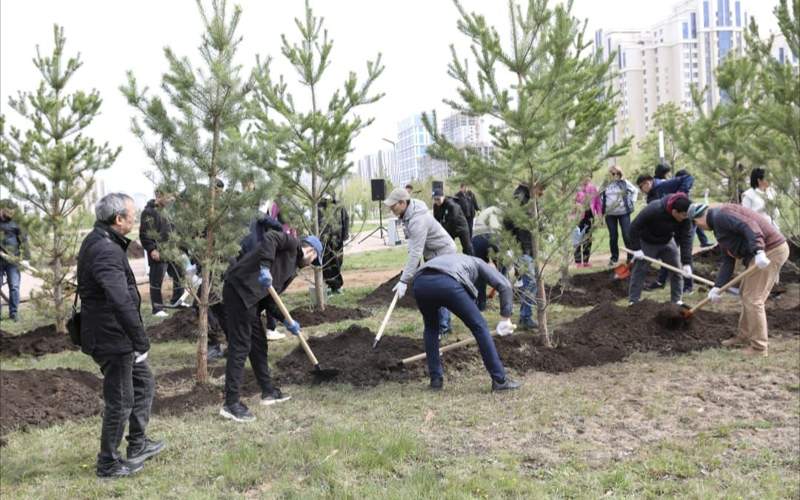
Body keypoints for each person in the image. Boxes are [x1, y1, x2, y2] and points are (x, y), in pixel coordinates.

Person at [77, 193, 164, 478]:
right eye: (132, 214)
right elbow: (119, 299)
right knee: (121, 400)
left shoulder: (102, 240)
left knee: (144, 384)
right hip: (111, 338)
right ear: (118, 219)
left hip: (114, 333)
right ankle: (108, 463)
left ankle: (137, 445)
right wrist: (140, 340)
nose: (135, 219)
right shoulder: (104, 249)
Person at [220, 229, 322, 422]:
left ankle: (268, 392)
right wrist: (265, 267)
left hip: (252, 300)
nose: (310, 264)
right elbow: (270, 236)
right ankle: (231, 404)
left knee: (258, 345)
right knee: (240, 346)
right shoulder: (291, 244)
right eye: (314, 260)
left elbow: (269, 300)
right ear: (311, 251)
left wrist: (287, 321)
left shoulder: (290, 270)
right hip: (238, 290)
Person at [689, 203, 789, 357]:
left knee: (754, 299)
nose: (700, 228)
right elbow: (728, 260)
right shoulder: (718, 226)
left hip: (770, 250)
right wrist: (717, 287)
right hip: (763, 251)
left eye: (696, 224)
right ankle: (744, 336)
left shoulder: (722, 216)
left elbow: (749, 225)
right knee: (745, 294)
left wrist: (758, 250)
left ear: (699, 219)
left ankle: (759, 348)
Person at [412, 253, 521, 392]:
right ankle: (500, 380)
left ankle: (435, 380)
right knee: (480, 326)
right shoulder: (479, 262)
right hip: (447, 282)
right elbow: (504, 285)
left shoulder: (455, 259)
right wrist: (505, 318)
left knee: (431, 328)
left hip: (420, 283)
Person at [384, 187, 456, 337]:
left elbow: (416, 251)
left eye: (393, 206)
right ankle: (440, 326)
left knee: (438, 289)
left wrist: (404, 280)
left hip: (443, 253)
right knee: (433, 289)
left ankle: (443, 327)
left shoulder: (418, 220)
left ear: (403, 203)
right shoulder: (408, 214)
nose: (391, 209)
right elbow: (413, 245)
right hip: (432, 253)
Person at [627, 193, 694, 306]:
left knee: (677, 270)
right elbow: (633, 227)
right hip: (648, 241)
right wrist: (637, 249)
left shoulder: (686, 217)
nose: (684, 218)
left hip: (667, 241)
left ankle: (677, 301)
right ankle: (633, 301)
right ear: (674, 212)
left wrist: (687, 263)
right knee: (640, 269)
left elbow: (686, 238)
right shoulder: (654, 209)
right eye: (683, 215)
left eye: (686, 216)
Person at [140, 189, 186, 318]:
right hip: (158, 251)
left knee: (180, 275)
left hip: (173, 251)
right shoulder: (148, 212)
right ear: (158, 195)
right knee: (156, 280)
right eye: (168, 196)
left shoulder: (169, 211)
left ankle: (177, 302)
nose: (171, 199)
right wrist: (151, 249)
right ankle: (157, 308)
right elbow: (144, 233)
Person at [502, 184, 539, 330]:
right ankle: (525, 317)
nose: (542, 193)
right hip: (522, 248)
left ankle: (526, 315)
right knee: (530, 281)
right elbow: (507, 223)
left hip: (529, 247)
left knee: (530, 281)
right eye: (541, 189)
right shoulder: (519, 200)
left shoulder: (531, 199)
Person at [600, 166, 638, 267]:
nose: (615, 176)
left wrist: (632, 202)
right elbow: (598, 195)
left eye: (618, 173)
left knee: (626, 235)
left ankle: (630, 257)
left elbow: (635, 190)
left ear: (620, 174)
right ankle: (614, 258)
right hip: (610, 214)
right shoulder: (605, 184)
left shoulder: (625, 182)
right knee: (613, 236)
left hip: (623, 213)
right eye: (613, 174)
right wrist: (602, 209)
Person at [471, 205, 504, 310]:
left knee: (480, 272)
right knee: (502, 270)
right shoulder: (504, 211)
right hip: (494, 236)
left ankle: (480, 304)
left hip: (477, 238)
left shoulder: (484, 211)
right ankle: (505, 304)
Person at [0, 200, 28, 322]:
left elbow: (24, 240)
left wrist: (27, 258)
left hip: (13, 260)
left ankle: (14, 313)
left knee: (14, 287)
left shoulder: (17, 223)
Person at [318, 194, 350, 294]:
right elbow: (315, 222)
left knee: (337, 262)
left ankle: (336, 286)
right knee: (326, 263)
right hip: (324, 239)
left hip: (337, 239)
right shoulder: (319, 206)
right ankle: (328, 285)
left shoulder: (339, 206)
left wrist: (344, 235)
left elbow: (345, 219)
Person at [432, 188, 474, 256]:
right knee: (448, 248)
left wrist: (443, 229)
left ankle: (472, 261)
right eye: (435, 199)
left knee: (467, 248)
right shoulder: (436, 206)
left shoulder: (452, 205)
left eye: (438, 199)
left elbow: (453, 220)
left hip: (460, 226)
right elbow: (436, 220)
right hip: (449, 227)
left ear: (443, 197)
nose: (437, 201)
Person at [573, 177, 601, 267]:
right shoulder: (576, 188)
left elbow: (598, 203)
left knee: (588, 238)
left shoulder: (593, 188)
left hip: (590, 215)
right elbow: (572, 202)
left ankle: (585, 260)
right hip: (578, 216)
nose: (586, 178)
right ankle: (578, 261)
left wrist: (600, 215)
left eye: (588, 176)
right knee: (577, 237)